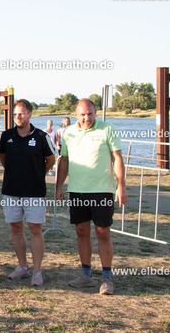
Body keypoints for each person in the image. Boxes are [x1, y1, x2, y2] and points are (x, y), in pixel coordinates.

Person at [56, 99, 127, 295]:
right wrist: (59, 186)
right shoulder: (68, 132)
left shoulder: (108, 129)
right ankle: (86, 275)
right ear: (76, 114)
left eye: (90, 114)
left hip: (102, 190)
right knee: (81, 231)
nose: (87, 118)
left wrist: (121, 186)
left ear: (95, 112)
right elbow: (64, 160)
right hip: (77, 190)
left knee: (103, 232)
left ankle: (106, 278)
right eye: (83, 114)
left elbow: (117, 158)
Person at [0, 99, 55, 286]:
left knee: (35, 229)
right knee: (16, 227)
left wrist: (37, 174)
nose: (18, 117)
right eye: (15, 114)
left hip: (34, 191)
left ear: (30, 115)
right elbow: (3, 158)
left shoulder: (41, 136)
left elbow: (51, 160)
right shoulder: (6, 135)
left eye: (21, 114)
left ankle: (37, 271)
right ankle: (22, 267)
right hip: (11, 190)